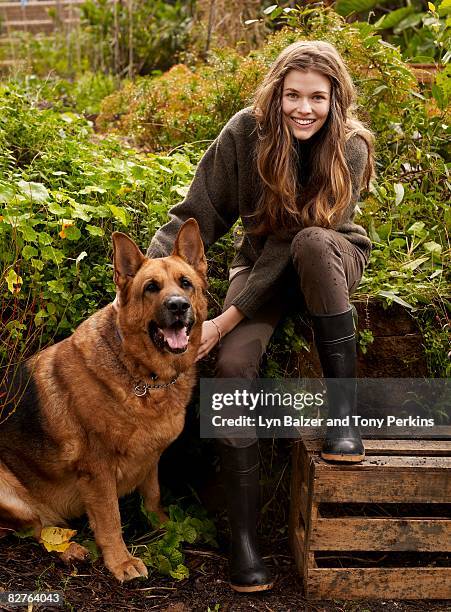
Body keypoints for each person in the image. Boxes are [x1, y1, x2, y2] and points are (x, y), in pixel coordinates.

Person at [147, 40, 374, 593]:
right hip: (262, 271)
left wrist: (223, 319)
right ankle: (245, 540)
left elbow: (300, 235)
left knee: (315, 245)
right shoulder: (245, 134)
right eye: (292, 95)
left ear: (336, 100)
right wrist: (140, 285)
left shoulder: (351, 147)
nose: (304, 108)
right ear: (275, 95)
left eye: (317, 97)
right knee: (230, 369)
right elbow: (195, 213)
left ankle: (344, 414)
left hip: (328, 261)